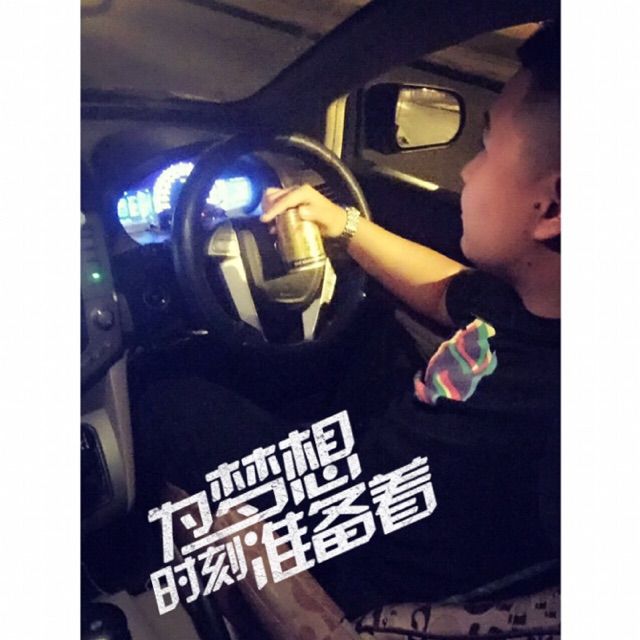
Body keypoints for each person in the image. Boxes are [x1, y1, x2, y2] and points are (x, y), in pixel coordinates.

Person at [138, 20, 560, 623]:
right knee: (367, 332)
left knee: (164, 402)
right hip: (375, 477)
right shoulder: (536, 304)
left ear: (553, 206)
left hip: (344, 546)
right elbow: (449, 289)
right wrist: (344, 225)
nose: (467, 171)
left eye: (487, 147)